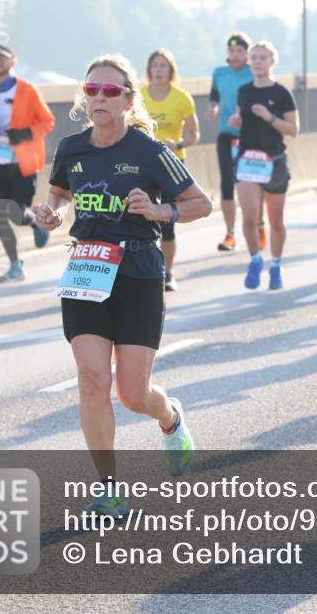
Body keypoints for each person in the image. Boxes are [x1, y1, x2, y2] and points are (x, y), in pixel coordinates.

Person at [33, 54, 212, 517]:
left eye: (111, 92)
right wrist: (52, 212)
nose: (99, 98)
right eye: (92, 90)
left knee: (133, 393)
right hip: (87, 273)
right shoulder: (71, 148)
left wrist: (160, 212)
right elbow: (59, 192)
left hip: (137, 274)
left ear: (128, 101)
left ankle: (169, 417)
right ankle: (109, 487)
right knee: (93, 381)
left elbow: (200, 203)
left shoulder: (149, 151)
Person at [0, 44, 55, 281]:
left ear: (12, 62)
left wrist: (25, 134)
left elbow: (47, 122)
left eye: (2, 57)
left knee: (16, 213)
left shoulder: (27, 90)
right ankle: (15, 263)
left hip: (21, 162)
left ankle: (35, 220)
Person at [228, 41, 299, 290]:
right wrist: (237, 119)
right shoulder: (244, 91)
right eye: (254, 57)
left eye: (263, 58)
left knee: (275, 221)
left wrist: (269, 117)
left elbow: (293, 130)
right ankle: (256, 259)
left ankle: (276, 265)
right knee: (249, 217)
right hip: (248, 160)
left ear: (272, 62)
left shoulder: (282, 93)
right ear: (249, 62)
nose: (258, 61)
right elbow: (240, 118)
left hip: (275, 161)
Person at [141, 48, 199, 291]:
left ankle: (168, 272)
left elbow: (194, 134)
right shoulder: (139, 94)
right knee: (139, 219)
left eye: (163, 66)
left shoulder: (182, 98)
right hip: (141, 162)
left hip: (172, 165)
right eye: (154, 65)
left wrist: (178, 144)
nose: (158, 70)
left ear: (171, 70)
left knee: (166, 221)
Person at [206, 32, 259, 253]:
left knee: (251, 184)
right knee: (227, 184)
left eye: (239, 51)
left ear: (247, 54)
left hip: (250, 136)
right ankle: (230, 234)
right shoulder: (219, 73)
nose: (235, 55)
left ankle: (259, 225)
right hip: (226, 135)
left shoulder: (253, 72)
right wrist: (213, 109)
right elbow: (214, 96)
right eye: (232, 51)